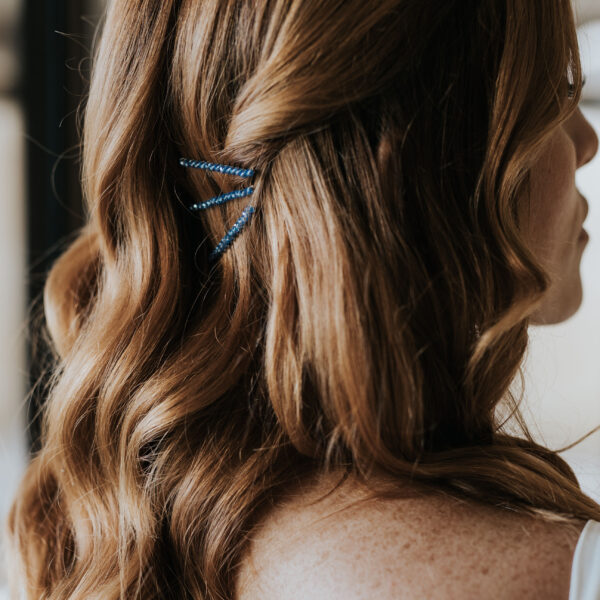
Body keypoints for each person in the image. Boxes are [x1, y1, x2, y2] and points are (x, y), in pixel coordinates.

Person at [6, 0, 600, 598]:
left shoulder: (111, 535)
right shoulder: (572, 574)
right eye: (555, 89)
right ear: (425, 162)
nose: (588, 140)